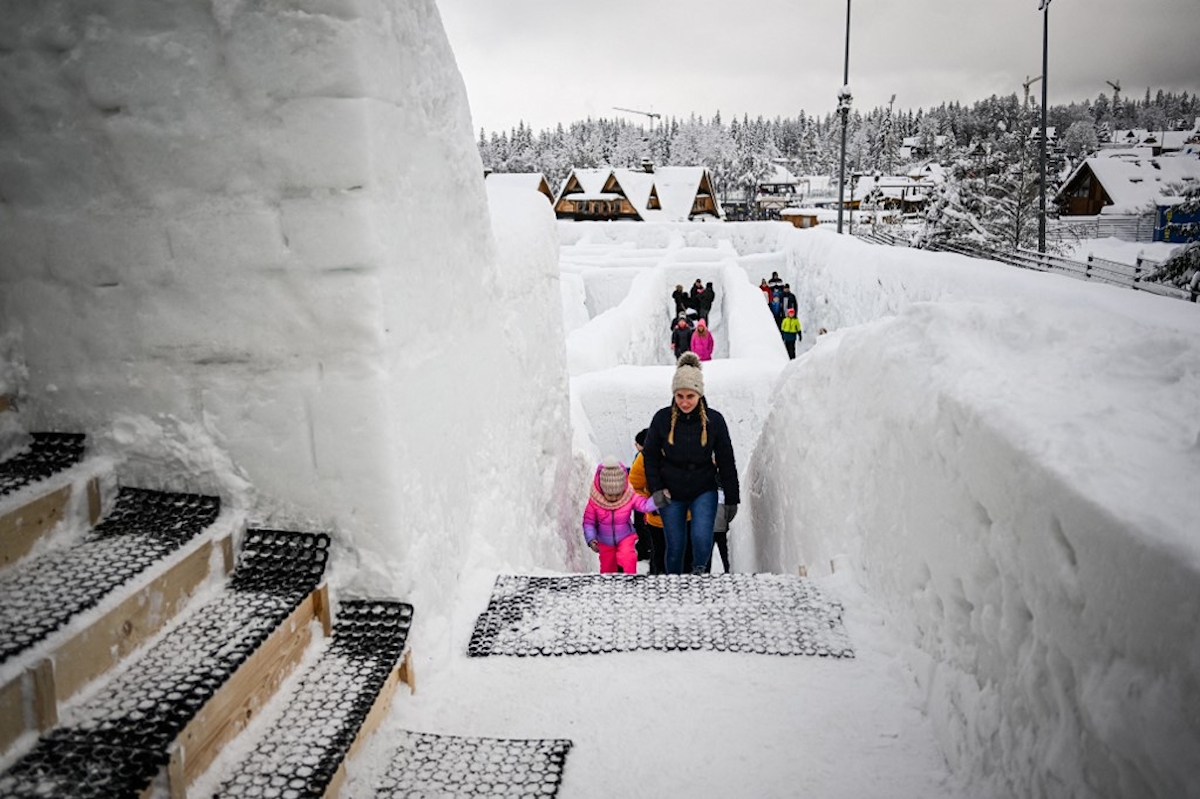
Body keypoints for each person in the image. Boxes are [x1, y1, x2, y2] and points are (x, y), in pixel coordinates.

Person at [642, 352, 740, 575]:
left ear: (699, 394)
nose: (684, 402)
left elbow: (726, 459)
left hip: (703, 488)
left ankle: (699, 577)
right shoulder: (662, 419)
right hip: (671, 490)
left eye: (690, 396)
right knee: (675, 546)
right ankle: (674, 583)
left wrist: (732, 498)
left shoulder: (714, 421)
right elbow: (650, 456)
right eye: (680, 396)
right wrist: (656, 489)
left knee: (701, 538)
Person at [582, 456, 669, 574]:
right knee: (608, 567)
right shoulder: (595, 502)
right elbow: (589, 522)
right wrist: (591, 539)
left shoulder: (629, 496)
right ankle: (609, 587)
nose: (614, 498)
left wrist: (658, 499)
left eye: (618, 494)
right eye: (610, 495)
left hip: (625, 537)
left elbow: (643, 505)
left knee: (628, 558)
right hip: (604, 541)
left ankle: (630, 579)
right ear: (602, 490)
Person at [629, 430, 668, 574]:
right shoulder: (642, 459)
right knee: (659, 550)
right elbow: (635, 485)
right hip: (655, 515)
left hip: (662, 514)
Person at [705, 481, 732, 574]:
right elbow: (730, 512)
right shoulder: (724, 496)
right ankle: (727, 571)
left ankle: (706, 573)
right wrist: (726, 521)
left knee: (708, 555)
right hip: (721, 528)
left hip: (710, 529)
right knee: (724, 553)